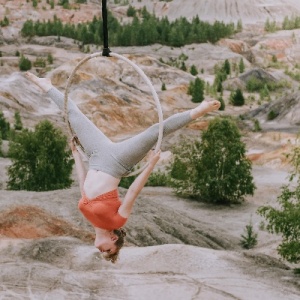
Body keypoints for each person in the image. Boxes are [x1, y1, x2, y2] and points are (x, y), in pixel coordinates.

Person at [25, 71, 221, 263]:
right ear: (114, 239)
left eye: (102, 254)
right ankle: (198, 111)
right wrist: (151, 164)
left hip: (95, 155)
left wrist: (76, 154)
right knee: (154, 132)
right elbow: (133, 191)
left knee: (74, 115)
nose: (101, 250)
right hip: (117, 162)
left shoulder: (89, 218)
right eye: (108, 251)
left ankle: (47, 86)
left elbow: (83, 185)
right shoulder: (117, 221)